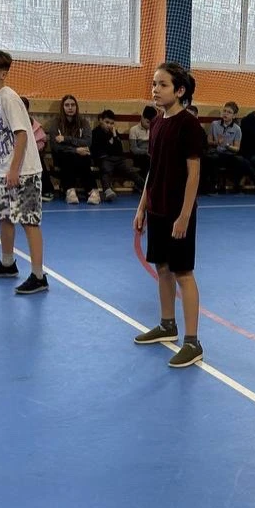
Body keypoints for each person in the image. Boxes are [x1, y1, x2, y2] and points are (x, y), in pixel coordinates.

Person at [133, 63, 208, 368]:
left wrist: (185, 216)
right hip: (157, 209)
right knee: (162, 267)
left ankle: (192, 342)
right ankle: (167, 325)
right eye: (154, 84)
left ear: (179, 91)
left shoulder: (189, 125)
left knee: (183, 273)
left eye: (162, 85)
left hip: (178, 212)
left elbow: (194, 174)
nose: (155, 90)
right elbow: (153, 170)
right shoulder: (156, 123)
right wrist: (142, 207)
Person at [0, 49, 48, 295]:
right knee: (4, 217)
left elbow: (22, 134)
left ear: (3, 74)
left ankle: (38, 276)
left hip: (24, 172)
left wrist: (15, 170)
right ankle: (7, 263)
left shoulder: (10, 98)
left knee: (28, 221)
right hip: (4, 172)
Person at [49, 94, 97, 205]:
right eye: (67, 105)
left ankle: (92, 191)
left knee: (84, 156)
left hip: (80, 156)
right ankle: (70, 190)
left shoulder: (83, 122)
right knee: (69, 157)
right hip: (62, 156)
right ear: (62, 107)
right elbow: (56, 146)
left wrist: (66, 139)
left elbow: (87, 142)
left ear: (76, 107)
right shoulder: (56, 123)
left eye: (73, 105)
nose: (70, 108)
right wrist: (75, 150)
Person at [92, 109, 145, 201]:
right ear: (101, 120)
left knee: (130, 170)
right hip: (104, 159)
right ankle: (107, 190)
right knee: (106, 169)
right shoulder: (96, 132)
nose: (109, 125)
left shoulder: (114, 133)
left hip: (118, 159)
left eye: (112, 123)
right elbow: (100, 149)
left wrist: (114, 135)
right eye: (107, 122)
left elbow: (119, 150)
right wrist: (110, 145)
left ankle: (145, 188)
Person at [205, 101, 243, 193]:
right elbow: (209, 141)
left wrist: (227, 146)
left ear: (234, 116)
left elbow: (237, 148)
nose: (225, 114)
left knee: (241, 160)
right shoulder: (214, 124)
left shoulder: (237, 129)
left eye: (229, 112)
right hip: (217, 153)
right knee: (211, 158)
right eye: (224, 111)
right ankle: (214, 185)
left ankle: (236, 185)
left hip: (229, 154)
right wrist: (217, 142)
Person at [21, 96, 55, 202]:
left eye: (23, 107)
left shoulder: (34, 125)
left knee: (38, 161)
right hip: (14, 154)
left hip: (32, 154)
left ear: (27, 109)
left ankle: (47, 190)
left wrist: (33, 149)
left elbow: (42, 142)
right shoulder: (9, 122)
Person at [128, 105, 155, 177]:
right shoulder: (134, 130)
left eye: (152, 123)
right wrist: (146, 152)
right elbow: (133, 149)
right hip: (139, 156)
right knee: (147, 161)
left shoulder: (154, 129)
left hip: (151, 156)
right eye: (148, 122)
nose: (150, 125)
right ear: (142, 117)